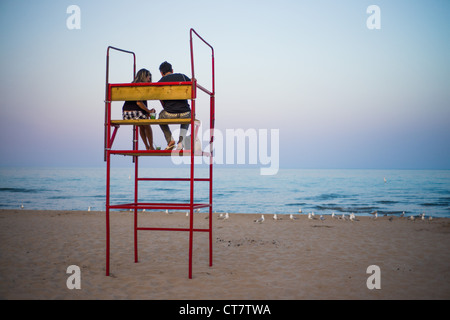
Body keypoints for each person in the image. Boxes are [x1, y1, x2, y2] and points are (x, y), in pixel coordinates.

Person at [157, 61, 192, 150]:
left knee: (160, 117)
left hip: (169, 113)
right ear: (172, 70)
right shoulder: (183, 77)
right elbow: (193, 85)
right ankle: (181, 141)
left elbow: (160, 98)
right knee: (189, 115)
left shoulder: (160, 82)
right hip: (185, 112)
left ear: (161, 73)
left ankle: (170, 140)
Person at [122, 68, 155, 150]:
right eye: (149, 77)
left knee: (141, 125)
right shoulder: (141, 86)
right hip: (135, 112)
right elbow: (139, 102)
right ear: (144, 76)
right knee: (147, 125)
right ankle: (151, 146)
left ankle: (147, 146)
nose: (150, 79)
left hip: (126, 113)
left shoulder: (132, 84)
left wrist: (146, 111)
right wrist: (149, 111)